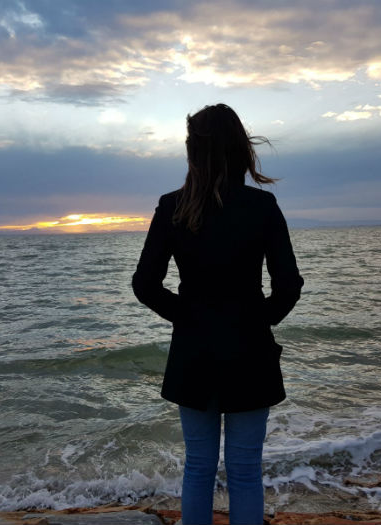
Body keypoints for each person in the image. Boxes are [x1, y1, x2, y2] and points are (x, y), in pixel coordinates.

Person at [132, 103, 303, 525]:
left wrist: (189, 317)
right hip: (250, 351)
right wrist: (256, 321)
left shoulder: (172, 206)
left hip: (194, 352)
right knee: (245, 471)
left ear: (193, 151)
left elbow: (145, 284)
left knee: (198, 467)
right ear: (240, 148)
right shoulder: (261, 206)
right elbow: (288, 286)